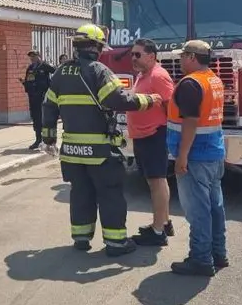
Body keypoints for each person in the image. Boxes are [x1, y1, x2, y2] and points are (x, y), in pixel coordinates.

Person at [42, 24, 163, 257]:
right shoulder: (99, 71)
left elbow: (48, 106)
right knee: (110, 194)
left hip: (71, 151)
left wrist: (48, 138)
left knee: (80, 193)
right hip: (99, 151)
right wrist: (148, 100)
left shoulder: (60, 72)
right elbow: (117, 99)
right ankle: (116, 243)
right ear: (96, 47)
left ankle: (81, 238)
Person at [167, 40, 228, 276]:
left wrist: (182, 157)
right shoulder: (213, 79)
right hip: (213, 153)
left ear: (192, 57)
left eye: (182, 56)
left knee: (198, 211)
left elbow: (190, 122)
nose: (180, 60)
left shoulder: (190, 84)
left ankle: (201, 259)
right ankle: (218, 253)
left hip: (195, 156)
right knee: (215, 207)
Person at [127, 39, 177, 247]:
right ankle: (163, 223)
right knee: (154, 181)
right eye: (132, 54)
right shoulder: (142, 75)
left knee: (157, 181)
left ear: (151, 56)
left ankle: (157, 233)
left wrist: (164, 131)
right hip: (142, 135)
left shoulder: (158, 76)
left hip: (154, 135)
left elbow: (171, 107)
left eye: (137, 55)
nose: (133, 58)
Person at [20, 50, 55, 150]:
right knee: (36, 119)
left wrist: (51, 87)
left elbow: (56, 72)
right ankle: (38, 140)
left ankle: (48, 142)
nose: (32, 58)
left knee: (45, 119)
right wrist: (24, 83)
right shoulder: (30, 68)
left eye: (34, 56)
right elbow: (28, 81)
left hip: (43, 97)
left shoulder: (44, 66)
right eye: (31, 57)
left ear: (39, 56)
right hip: (33, 98)